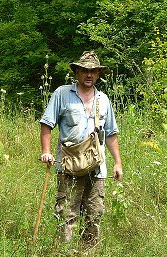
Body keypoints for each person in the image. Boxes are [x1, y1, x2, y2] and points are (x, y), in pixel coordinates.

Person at [40, 51, 123, 245]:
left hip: (97, 168)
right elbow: (46, 124)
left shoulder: (103, 99)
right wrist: (46, 151)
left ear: (98, 74)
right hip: (69, 166)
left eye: (93, 71)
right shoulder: (62, 94)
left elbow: (110, 133)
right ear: (77, 72)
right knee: (66, 214)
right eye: (85, 70)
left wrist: (118, 162)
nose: (89, 75)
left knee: (94, 216)